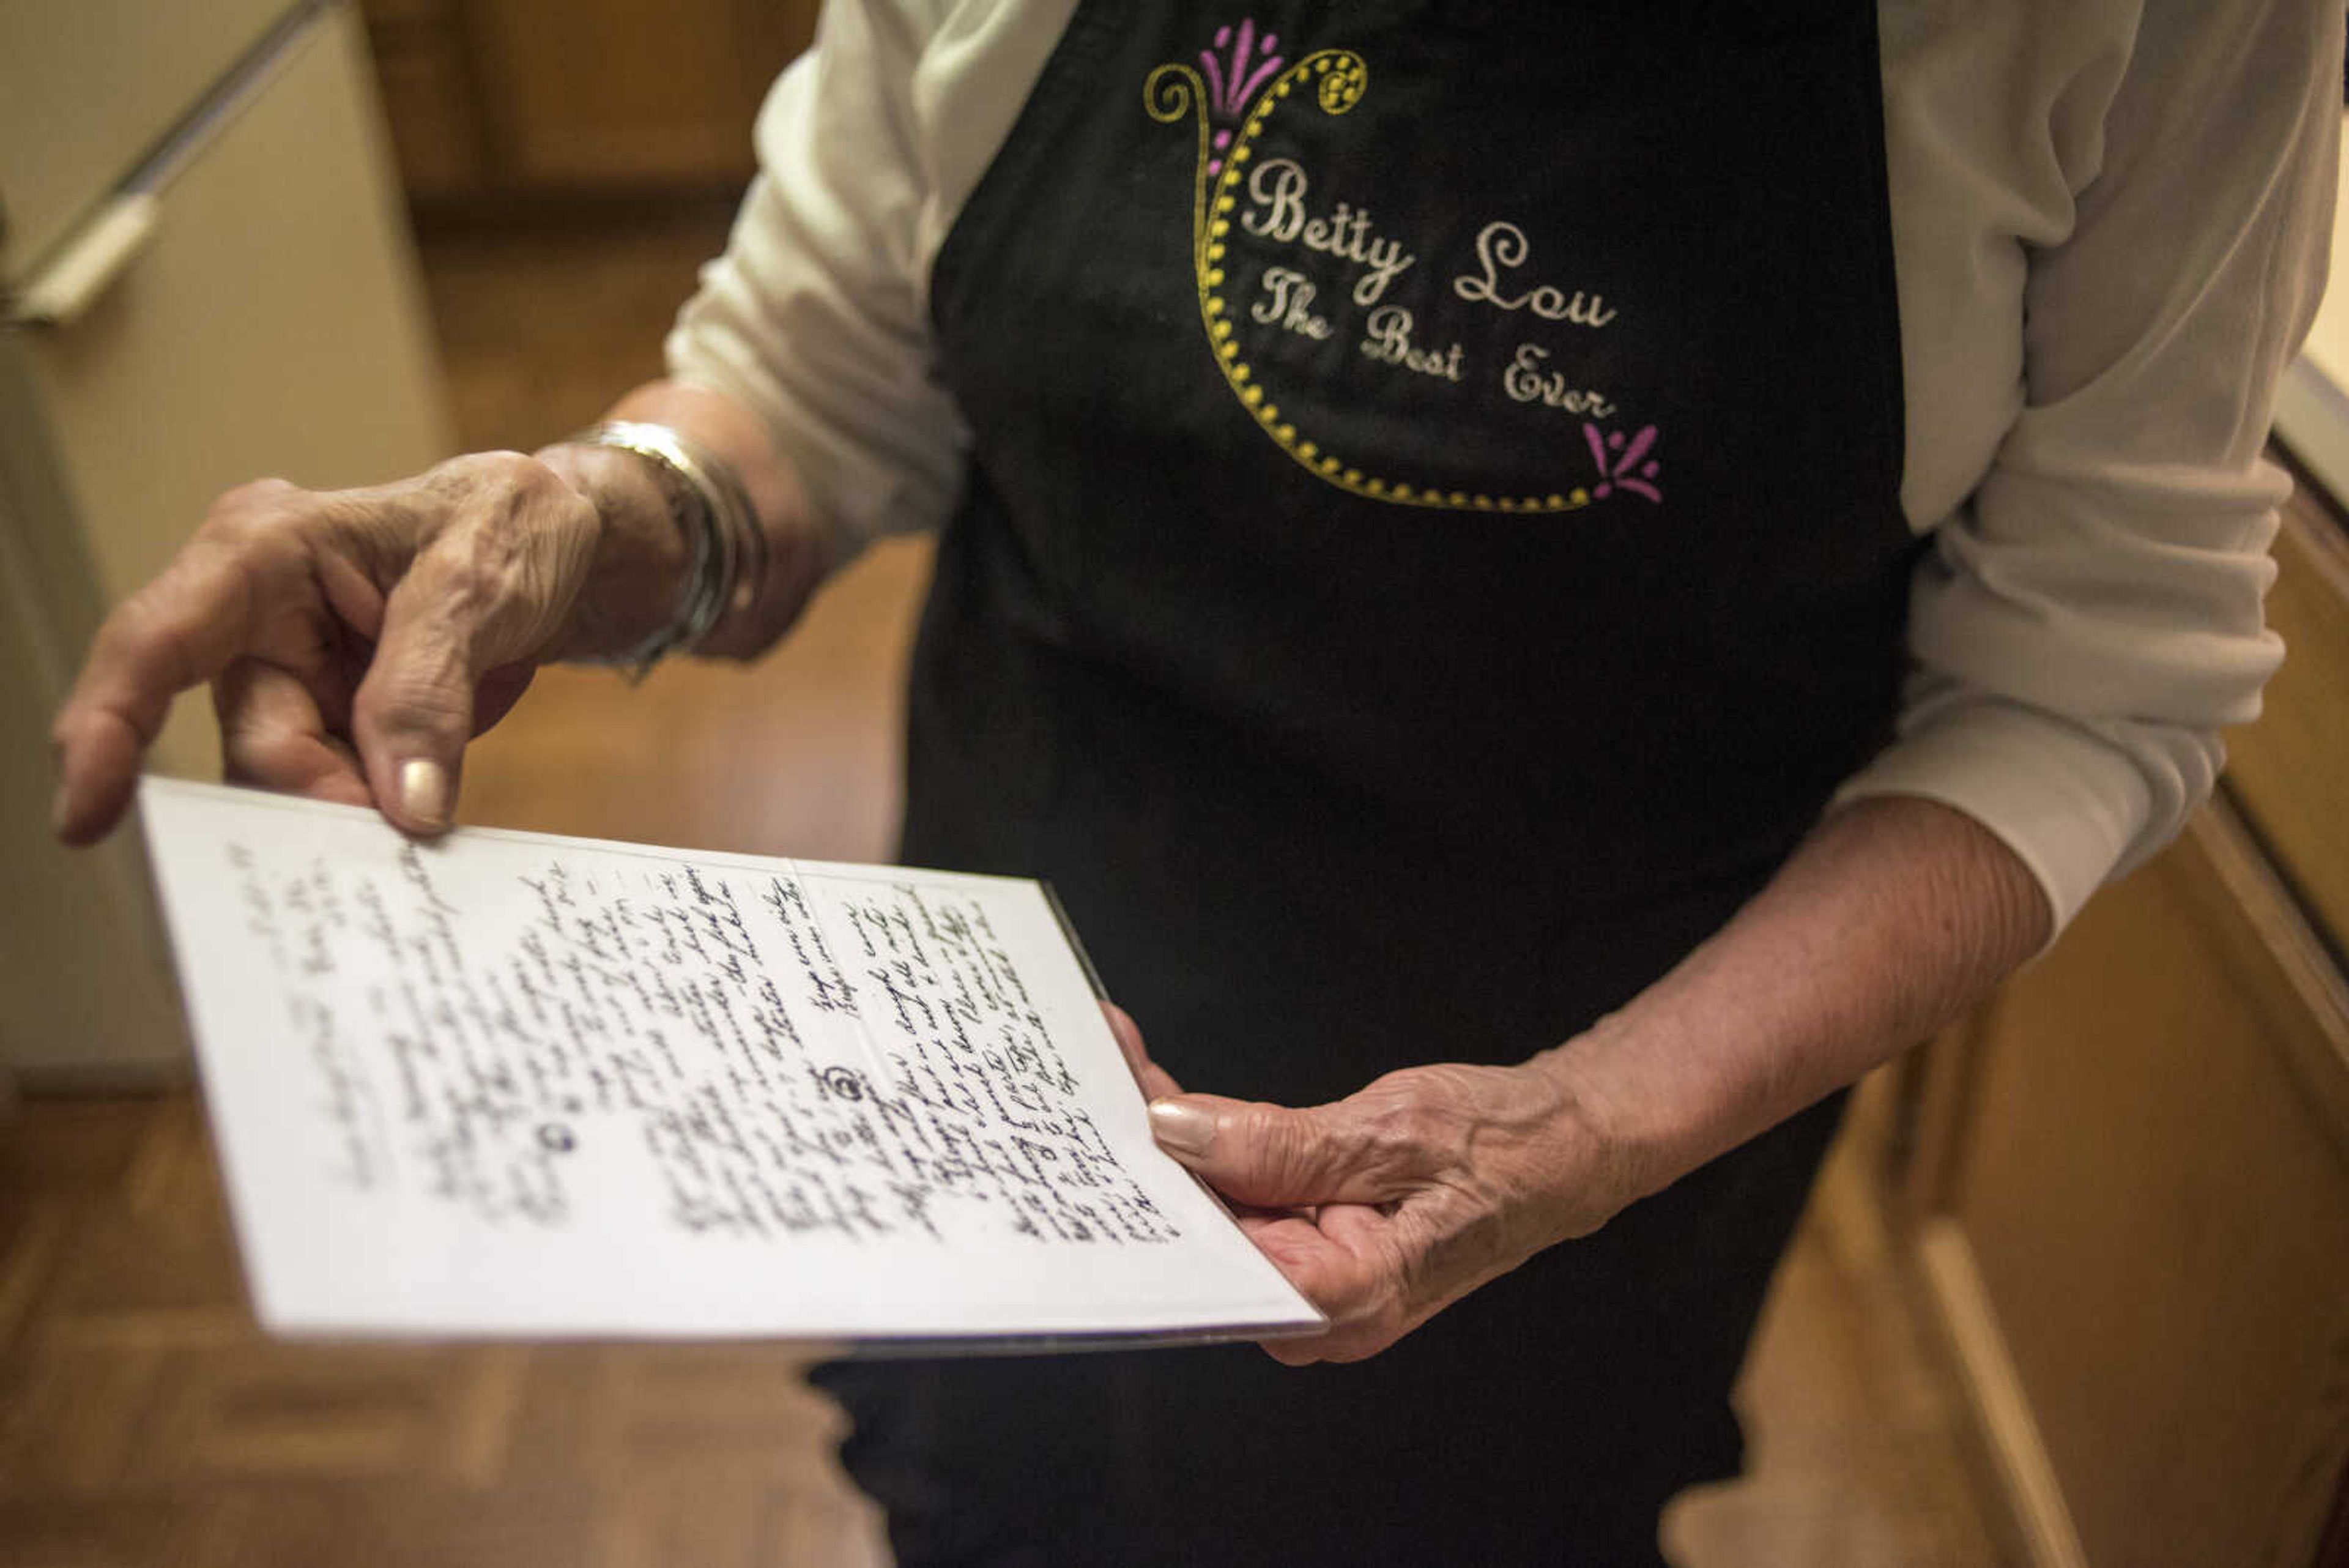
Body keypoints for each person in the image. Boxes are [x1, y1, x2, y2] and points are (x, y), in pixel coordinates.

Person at [50, 0, 2341, 1560]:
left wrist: (1584, 1128)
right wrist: (605, 507)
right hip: (1011, 1057)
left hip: (1590, 1109)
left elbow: (2081, 678)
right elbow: (838, 363)